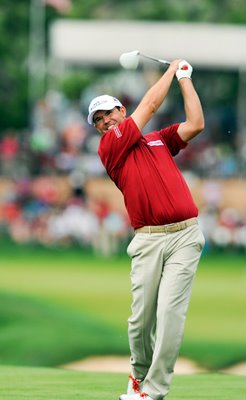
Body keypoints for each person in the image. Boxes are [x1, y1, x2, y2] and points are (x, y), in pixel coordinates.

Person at [87, 59, 205, 400]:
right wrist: (171, 68)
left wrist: (185, 79)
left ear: (121, 110)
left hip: (185, 236)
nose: (105, 121)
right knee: (140, 322)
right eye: (98, 120)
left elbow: (196, 123)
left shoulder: (158, 141)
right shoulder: (111, 147)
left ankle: (153, 390)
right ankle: (138, 376)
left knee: (170, 315)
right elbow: (151, 104)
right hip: (148, 241)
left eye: (108, 113)